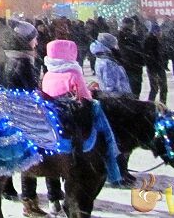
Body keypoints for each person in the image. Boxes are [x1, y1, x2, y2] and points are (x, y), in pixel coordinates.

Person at [41, 38, 125, 196]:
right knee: (104, 126)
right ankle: (114, 168)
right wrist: (90, 92)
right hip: (74, 117)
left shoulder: (47, 74)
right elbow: (84, 98)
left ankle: (54, 194)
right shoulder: (73, 73)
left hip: (54, 116)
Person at [0, 20, 56, 215]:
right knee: (31, 158)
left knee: (30, 159)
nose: (37, 41)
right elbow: (28, 92)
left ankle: (34, 198)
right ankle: (30, 202)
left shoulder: (16, 59)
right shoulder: (23, 62)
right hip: (26, 117)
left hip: (20, 114)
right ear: (26, 42)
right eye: (34, 38)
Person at [117, 17, 145, 98]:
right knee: (134, 91)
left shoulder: (121, 36)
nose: (134, 27)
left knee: (132, 90)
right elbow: (137, 51)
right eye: (133, 25)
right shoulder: (127, 37)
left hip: (129, 67)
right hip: (132, 67)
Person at [143, 21, 168, 105]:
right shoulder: (151, 40)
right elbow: (150, 56)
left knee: (159, 88)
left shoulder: (156, 40)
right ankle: (153, 105)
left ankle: (160, 105)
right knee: (157, 88)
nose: (161, 33)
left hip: (157, 67)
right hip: (154, 68)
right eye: (159, 31)